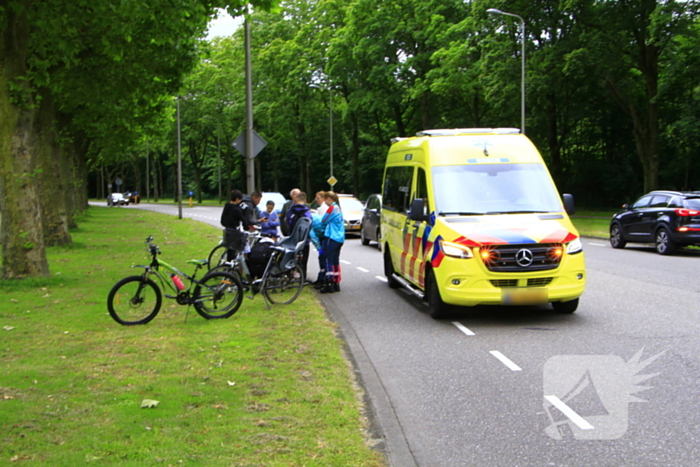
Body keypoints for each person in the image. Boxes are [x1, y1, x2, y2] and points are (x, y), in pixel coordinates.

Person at [318, 191, 345, 293]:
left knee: (328, 259)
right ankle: (336, 283)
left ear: (329, 199)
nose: (325, 202)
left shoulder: (332, 208)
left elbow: (324, 220)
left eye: (325, 199)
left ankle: (329, 284)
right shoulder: (338, 208)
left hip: (332, 237)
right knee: (335, 261)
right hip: (340, 238)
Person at [285, 192, 313, 276]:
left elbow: (288, 223)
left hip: (293, 239)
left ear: (295, 199)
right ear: (305, 201)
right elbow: (310, 224)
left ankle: (291, 273)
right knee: (304, 258)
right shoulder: (307, 212)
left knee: (291, 256)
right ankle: (303, 275)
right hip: (304, 240)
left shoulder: (290, 211)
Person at [220, 190, 252, 259]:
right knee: (243, 243)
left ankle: (228, 262)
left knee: (230, 249)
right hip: (234, 231)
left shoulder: (226, 206)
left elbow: (222, 220)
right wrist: (247, 227)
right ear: (237, 199)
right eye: (240, 199)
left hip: (227, 230)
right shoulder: (237, 209)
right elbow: (244, 221)